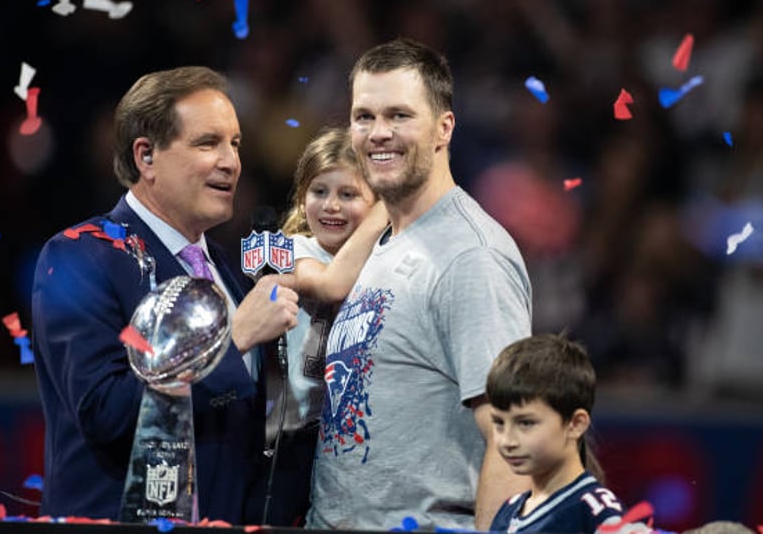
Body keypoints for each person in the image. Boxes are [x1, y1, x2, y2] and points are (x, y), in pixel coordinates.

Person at [31, 66, 299, 522]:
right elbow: (104, 412)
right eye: (207, 143)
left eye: (235, 144)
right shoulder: (80, 256)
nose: (231, 161)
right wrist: (232, 340)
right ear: (146, 156)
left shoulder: (225, 271)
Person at [307, 38, 533, 531]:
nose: (378, 133)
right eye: (363, 116)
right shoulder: (379, 238)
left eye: (399, 116)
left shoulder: (472, 257)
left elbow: (510, 437)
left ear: (443, 128)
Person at [261, 127, 388, 526]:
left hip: (349, 440)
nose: (331, 206)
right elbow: (332, 285)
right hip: (284, 442)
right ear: (301, 196)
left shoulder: (385, 259)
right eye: (319, 191)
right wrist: (390, 202)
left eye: (348, 194)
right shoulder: (274, 249)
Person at [487, 334, 649, 533]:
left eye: (526, 423)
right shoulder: (508, 511)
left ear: (575, 424)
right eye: (499, 423)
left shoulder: (595, 511)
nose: (507, 441)